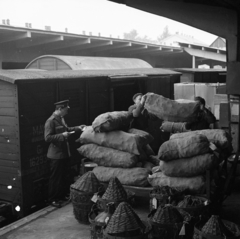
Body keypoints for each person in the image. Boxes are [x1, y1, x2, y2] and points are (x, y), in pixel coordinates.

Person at [44, 100, 85, 208]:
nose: (67, 111)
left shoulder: (61, 119)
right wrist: (62, 135)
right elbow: (47, 137)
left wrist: (78, 128)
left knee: (63, 176)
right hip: (56, 155)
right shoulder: (51, 121)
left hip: (64, 153)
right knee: (55, 178)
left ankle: (61, 196)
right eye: (66, 109)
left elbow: (67, 129)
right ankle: (53, 199)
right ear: (60, 109)